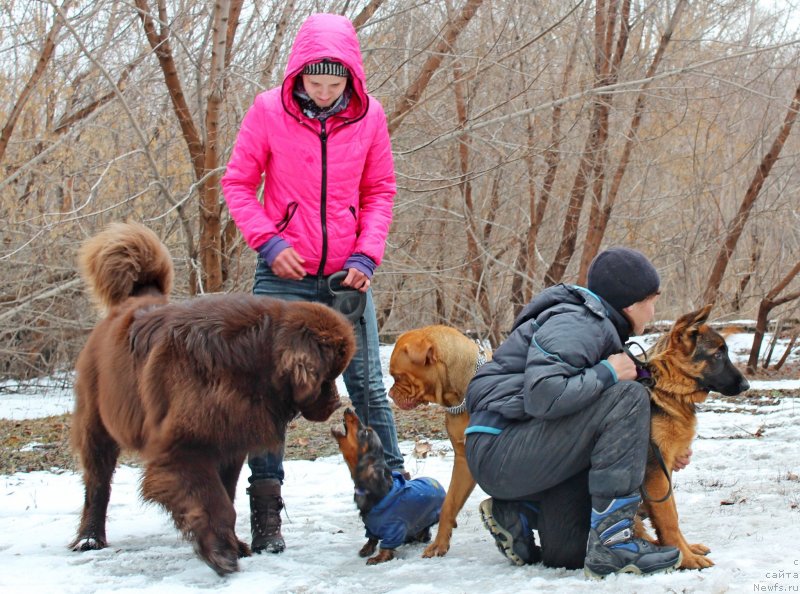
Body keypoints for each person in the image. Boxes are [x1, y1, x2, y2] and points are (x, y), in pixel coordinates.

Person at [220, 13, 405, 555]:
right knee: (268, 389)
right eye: (314, 82)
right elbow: (237, 183)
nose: (324, 94)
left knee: (368, 384)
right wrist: (269, 243)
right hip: (283, 275)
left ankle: (391, 496)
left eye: (335, 83)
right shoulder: (267, 111)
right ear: (297, 74)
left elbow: (381, 190)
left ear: (352, 78)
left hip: (349, 274)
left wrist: (367, 256)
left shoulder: (369, 116)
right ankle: (267, 511)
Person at [463, 247, 684, 577]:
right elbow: (543, 395)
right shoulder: (578, 322)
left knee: (568, 552)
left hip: (523, 449)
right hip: (501, 447)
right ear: (630, 302)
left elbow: (589, 416)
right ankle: (614, 543)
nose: (653, 312)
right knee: (629, 397)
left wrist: (662, 447)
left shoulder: (601, 327)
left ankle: (519, 511)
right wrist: (608, 373)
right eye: (651, 301)